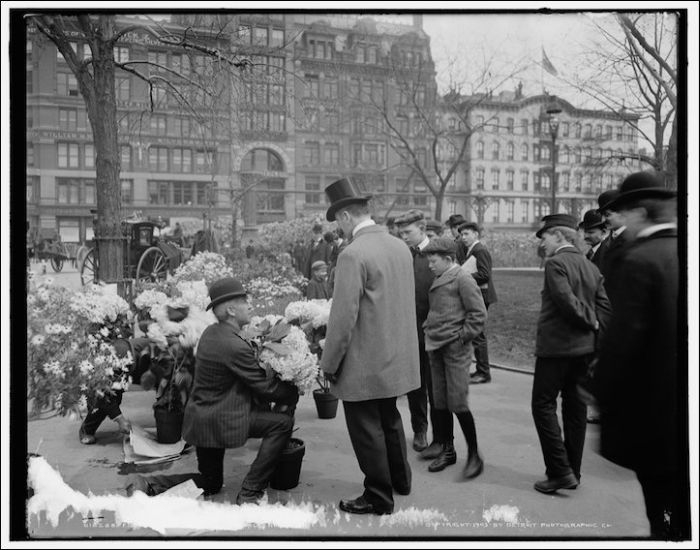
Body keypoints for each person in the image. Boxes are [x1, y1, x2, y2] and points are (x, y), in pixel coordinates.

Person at [593, 172, 688, 540]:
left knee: (661, 509)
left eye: (622, 213)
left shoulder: (640, 260)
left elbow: (621, 343)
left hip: (656, 411)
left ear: (639, 213)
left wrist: (597, 388)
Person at [320, 178, 420, 516]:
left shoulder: (353, 254)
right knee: (390, 419)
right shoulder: (399, 246)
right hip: (396, 354)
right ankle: (400, 480)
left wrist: (328, 362)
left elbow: (343, 318)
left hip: (365, 360)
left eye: (339, 221)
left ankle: (378, 495)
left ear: (346, 216)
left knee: (366, 430)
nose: (340, 228)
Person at [182, 277, 300, 504]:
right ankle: (250, 491)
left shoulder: (211, 332)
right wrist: (293, 389)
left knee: (211, 484)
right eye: (245, 302)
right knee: (282, 424)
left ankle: (150, 483)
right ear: (231, 310)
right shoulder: (233, 345)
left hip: (202, 419)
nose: (250, 306)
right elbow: (264, 387)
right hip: (220, 419)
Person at [531, 214, 611, 494]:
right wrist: (597, 327)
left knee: (542, 406)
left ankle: (560, 471)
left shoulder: (556, 263)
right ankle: (572, 472)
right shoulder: (590, 266)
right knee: (575, 410)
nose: (543, 244)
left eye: (545, 237)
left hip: (555, 350)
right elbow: (605, 310)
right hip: (584, 350)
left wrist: (592, 321)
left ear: (559, 236)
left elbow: (567, 303)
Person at [422, 236, 487, 478]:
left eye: (434, 260)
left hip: (455, 350)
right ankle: (447, 450)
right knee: (440, 401)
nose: (430, 265)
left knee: (457, 402)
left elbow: (478, 314)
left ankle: (474, 456)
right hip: (436, 346)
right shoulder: (440, 276)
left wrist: (461, 338)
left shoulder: (462, 278)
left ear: (448, 259)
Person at [394, 210, 453, 462]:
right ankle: (420, 430)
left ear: (422, 228)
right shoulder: (401, 255)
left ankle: (443, 440)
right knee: (415, 386)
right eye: (401, 233)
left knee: (438, 388)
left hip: (437, 333)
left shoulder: (440, 254)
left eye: (407, 232)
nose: (403, 237)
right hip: (410, 332)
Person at [457, 222, 497, 384]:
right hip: (477, 295)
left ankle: (483, 372)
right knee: (476, 333)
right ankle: (481, 370)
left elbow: (484, 274)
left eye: (466, 234)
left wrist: (462, 276)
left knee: (478, 334)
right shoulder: (473, 249)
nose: (463, 238)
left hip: (482, 295)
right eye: (461, 235)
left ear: (475, 234)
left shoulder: (480, 250)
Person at [597, 189, 633, 308]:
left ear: (622, 213)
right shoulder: (607, 241)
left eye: (607, 215)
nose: (603, 220)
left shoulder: (631, 239)